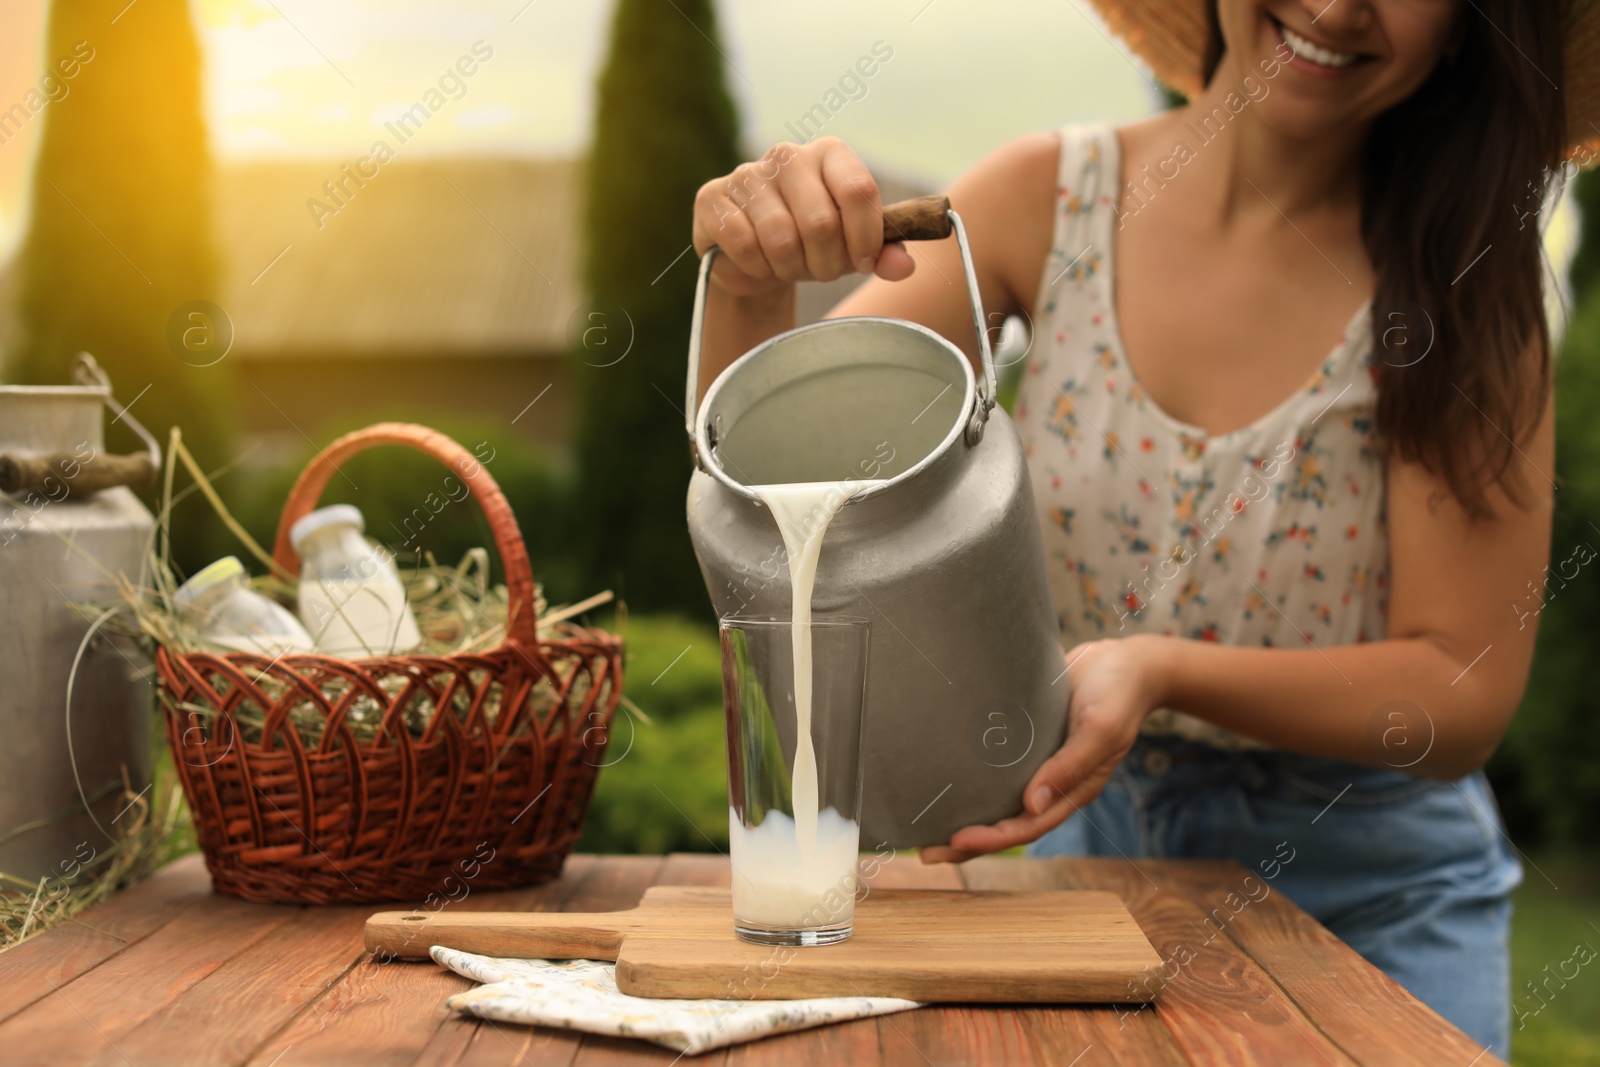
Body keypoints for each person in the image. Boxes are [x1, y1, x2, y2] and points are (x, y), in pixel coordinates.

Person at [691, 0, 1583, 1056]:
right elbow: (775, 477)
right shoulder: (1046, 201)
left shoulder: (1464, 280)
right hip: (1091, 874)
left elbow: (1461, 691)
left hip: (1372, 896)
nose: (1337, 6)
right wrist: (747, 288)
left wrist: (1162, 668)